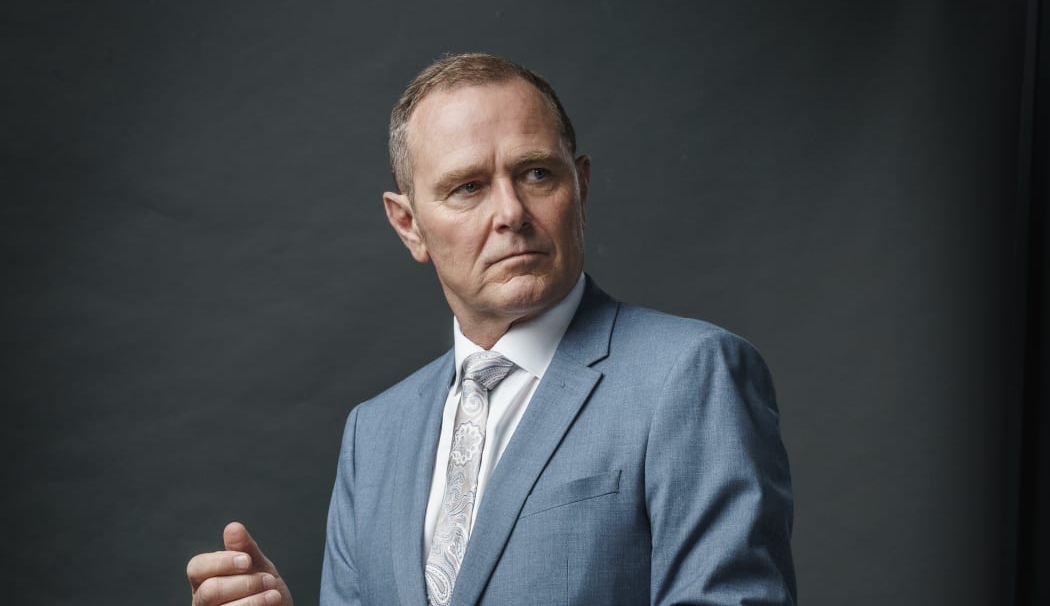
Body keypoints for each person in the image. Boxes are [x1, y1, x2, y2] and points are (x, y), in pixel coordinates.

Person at [187, 53, 797, 606]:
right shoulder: (374, 434)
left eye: (535, 174)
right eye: (468, 187)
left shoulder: (690, 375)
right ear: (409, 226)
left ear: (579, 189)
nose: (510, 213)